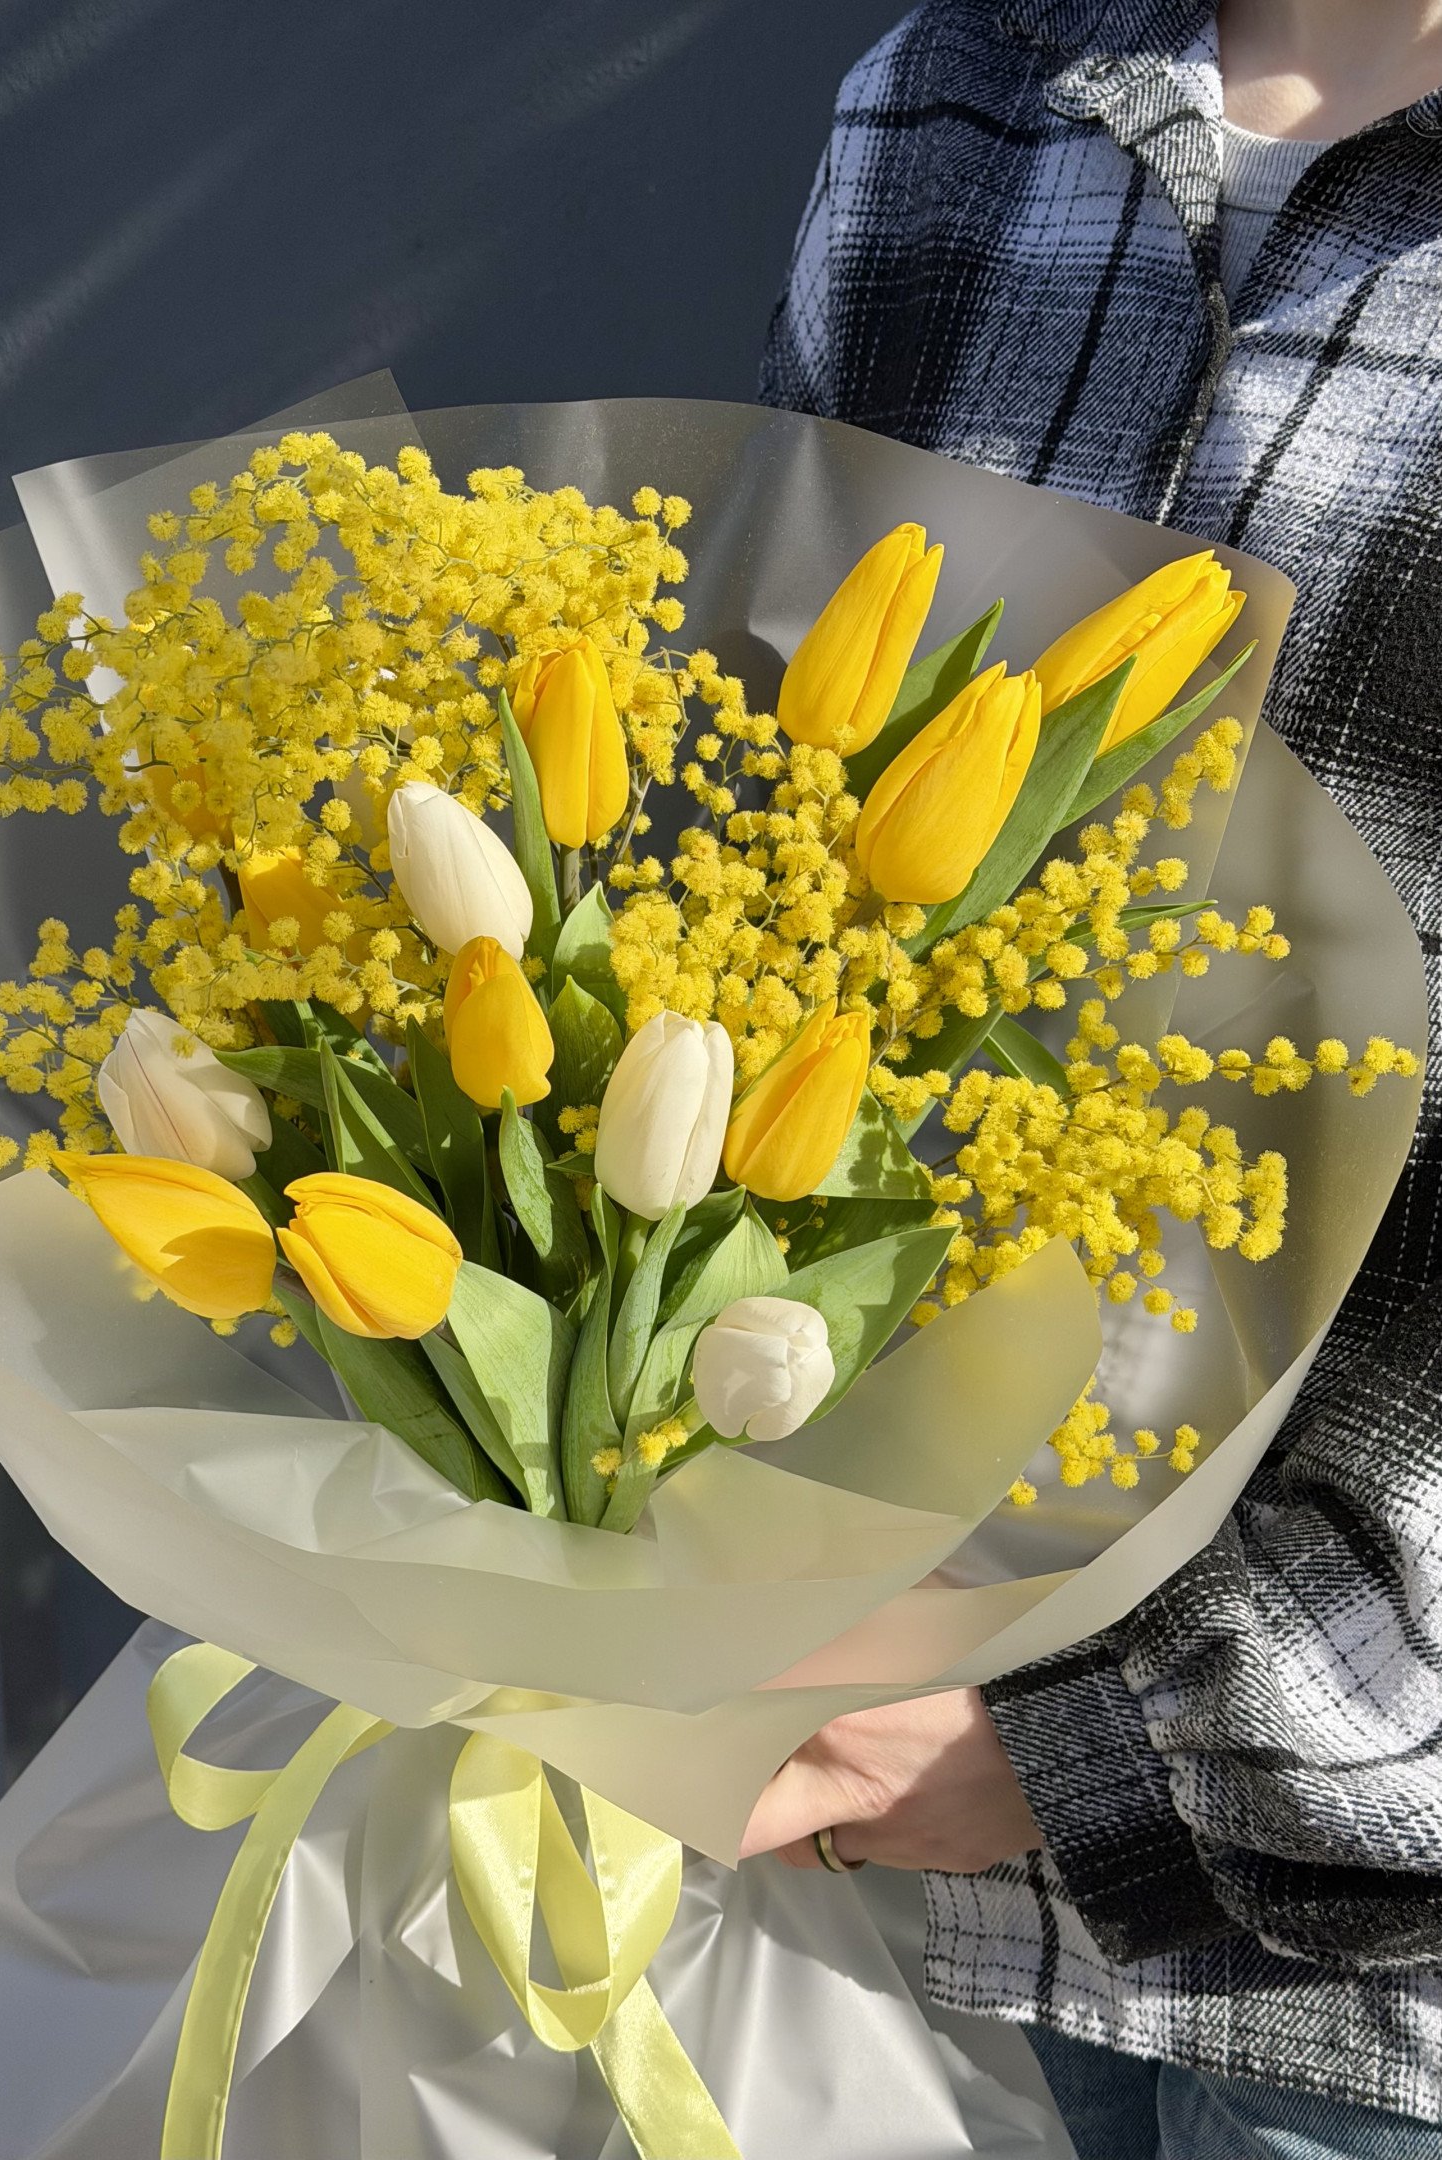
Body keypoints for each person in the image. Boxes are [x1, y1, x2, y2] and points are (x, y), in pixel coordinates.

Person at [746, 3, 1442, 2155]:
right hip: (869, 1832)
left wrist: (1125, 1738)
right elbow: (770, 868)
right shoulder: (963, 96)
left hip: (1364, 1934)